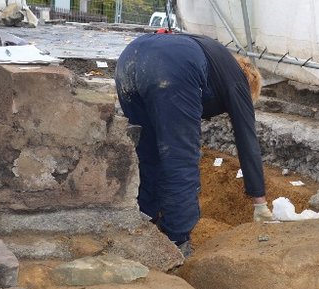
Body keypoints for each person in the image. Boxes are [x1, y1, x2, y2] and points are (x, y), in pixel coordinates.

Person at [114, 32, 274, 256]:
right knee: (180, 158)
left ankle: (143, 220)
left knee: (146, 152)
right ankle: (177, 241)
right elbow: (247, 139)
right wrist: (260, 204)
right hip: (171, 68)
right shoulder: (239, 80)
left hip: (130, 58)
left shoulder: (215, 58)